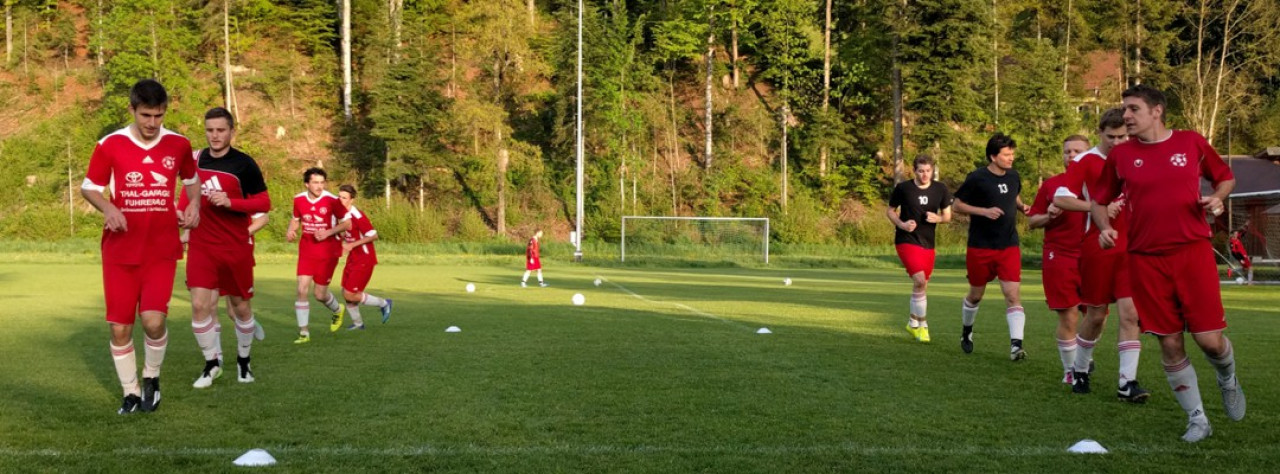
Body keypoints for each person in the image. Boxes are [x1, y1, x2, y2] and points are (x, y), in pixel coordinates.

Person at [1093, 84, 1243, 442]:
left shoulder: (1191, 142)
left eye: (1133, 109)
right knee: (1170, 343)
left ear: (1156, 110)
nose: (1126, 116)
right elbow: (1100, 199)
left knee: (1209, 341)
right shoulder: (1121, 156)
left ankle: (1227, 376)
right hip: (1145, 260)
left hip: (1192, 253)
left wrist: (1217, 199)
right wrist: (1104, 227)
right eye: (1124, 110)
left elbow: (1225, 178)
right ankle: (1197, 419)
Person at [80, 79, 200, 414]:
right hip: (120, 250)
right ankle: (130, 393)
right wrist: (109, 207)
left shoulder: (178, 144)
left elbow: (192, 181)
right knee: (120, 326)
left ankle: (151, 377)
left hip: (161, 248)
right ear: (131, 109)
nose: (151, 123)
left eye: (158, 116)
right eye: (145, 115)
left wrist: (195, 206)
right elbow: (89, 188)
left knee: (152, 322)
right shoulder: (110, 144)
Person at [1052, 108, 1150, 402]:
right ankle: (1080, 369)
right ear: (1100, 133)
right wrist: (1097, 209)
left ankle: (1127, 383)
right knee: (1095, 316)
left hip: (1133, 248)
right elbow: (1061, 197)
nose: (1119, 142)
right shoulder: (1085, 161)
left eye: (1124, 136)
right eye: (1112, 137)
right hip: (1098, 247)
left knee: (1131, 313)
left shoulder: (1139, 155)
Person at [181, 107, 271, 388]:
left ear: (232, 131)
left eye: (221, 130)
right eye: (210, 130)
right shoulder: (194, 159)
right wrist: (182, 217)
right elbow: (186, 194)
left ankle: (243, 362)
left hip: (235, 247)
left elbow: (263, 204)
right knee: (199, 305)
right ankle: (211, 364)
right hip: (202, 245)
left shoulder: (244, 164)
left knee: (241, 309)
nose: (215, 136)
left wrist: (232, 203)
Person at [952, 132, 1031, 360]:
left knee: (1012, 295)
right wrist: (984, 211)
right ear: (993, 156)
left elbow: (1014, 197)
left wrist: (1023, 207)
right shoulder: (977, 178)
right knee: (976, 295)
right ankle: (967, 331)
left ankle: (1016, 346)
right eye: (1007, 154)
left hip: (1008, 245)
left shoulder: (1014, 176)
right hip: (980, 246)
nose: (1011, 158)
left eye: (1012, 154)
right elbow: (957, 205)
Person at [1028, 136, 1088, 383]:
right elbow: (1033, 221)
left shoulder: (1100, 183)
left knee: (1097, 314)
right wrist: (1050, 215)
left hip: (1093, 255)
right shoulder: (1052, 185)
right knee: (1069, 314)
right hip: (1059, 255)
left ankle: (1083, 356)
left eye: (1077, 151)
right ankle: (1070, 371)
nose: (1071, 155)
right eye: (1066, 151)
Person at [886, 155, 953, 342]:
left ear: (933, 171)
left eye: (928, 171)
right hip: (906, 240)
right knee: (920, 280)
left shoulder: (940, 189)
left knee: (922, 285)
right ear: (914, 171)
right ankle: (923, 325)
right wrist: (901, 224)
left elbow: (947, 216)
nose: (925, 175)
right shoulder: (904, 189)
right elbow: (890, 210)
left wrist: (938, 218)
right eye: (921, 171)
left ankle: (912, 322)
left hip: (928, 243)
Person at [287, 168, 349, 343]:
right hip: (307, 248)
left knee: (320, 294)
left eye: (322, 182)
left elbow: (347, 224)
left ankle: (337, 310)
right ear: (307, 184)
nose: (319, 186)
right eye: (315, 182)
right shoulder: (298, 199)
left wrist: (328, 232)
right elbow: (295, 219)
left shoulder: (332, 201)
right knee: (301, 289)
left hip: (328, 250)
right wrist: (291, 231)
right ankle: (304, 333)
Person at [336, 185, 393, 329]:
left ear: (352, 200)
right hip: (353, 258)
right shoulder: (342, 215)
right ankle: (358, 324)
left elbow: (374, 235)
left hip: (364, 259)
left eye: (344, 198)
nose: (340, 200)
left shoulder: (357, 215)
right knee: (345, 292)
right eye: (339, 196)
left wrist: (352, 245)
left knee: (350, 294)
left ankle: (384, 303)